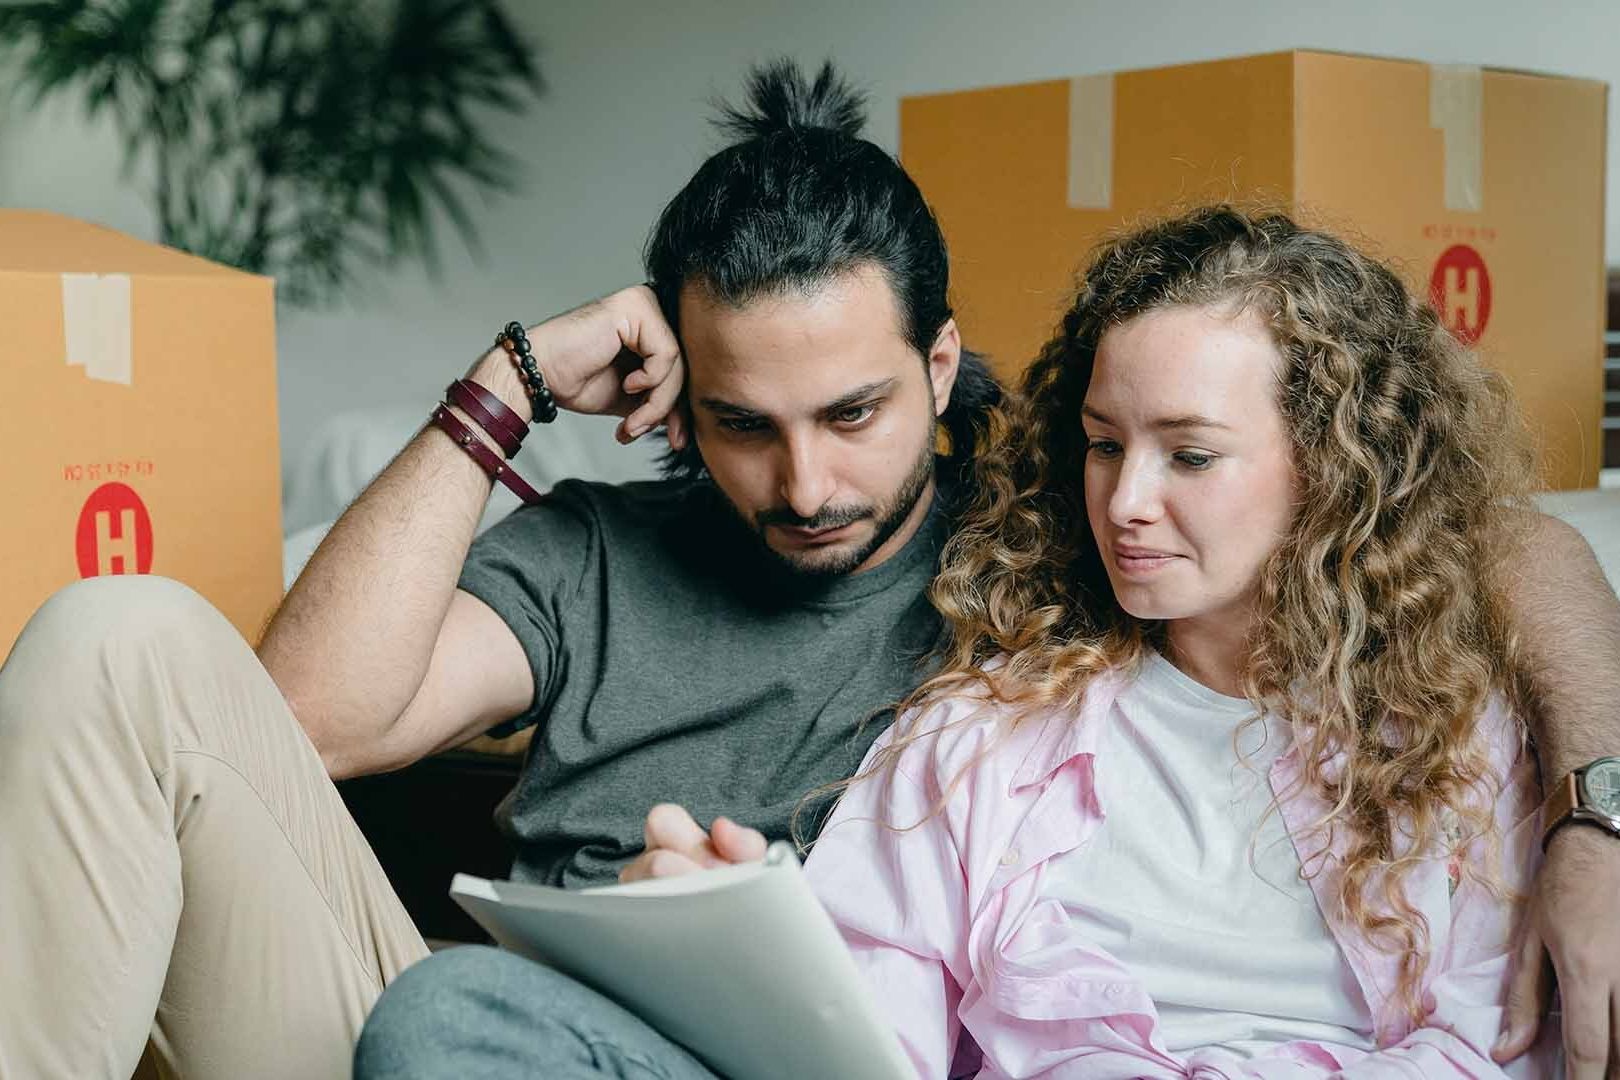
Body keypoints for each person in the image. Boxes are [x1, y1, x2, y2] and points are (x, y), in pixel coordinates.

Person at [0, 60, 1610, 1078]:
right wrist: (506, 385)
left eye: (852, 411)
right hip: (524, 1028)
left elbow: (1486, 534)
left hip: (791, 1044)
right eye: (740, 424)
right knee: (121, 636)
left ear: (944, 364)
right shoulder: (603, 550)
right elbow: (298, 728)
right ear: (677, 399)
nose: (808, 483)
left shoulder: (1059, 524)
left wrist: (1602, 809)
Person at [802, 206, 1560, 1077]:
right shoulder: (974, 740)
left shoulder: (1461, 737)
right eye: (1103, 445)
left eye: (1190, 456)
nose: (1125, 500)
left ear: (1334, 468)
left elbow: (1500, 1046)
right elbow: (856, 1034)